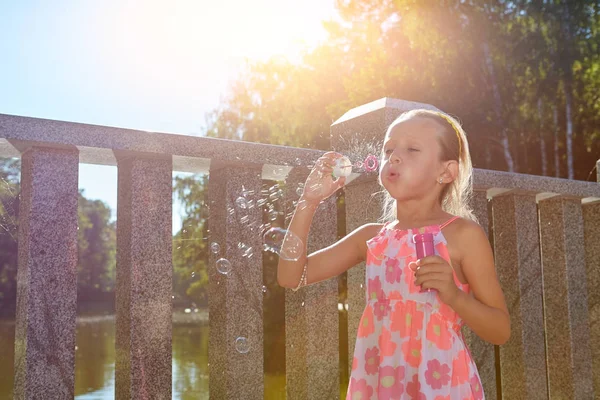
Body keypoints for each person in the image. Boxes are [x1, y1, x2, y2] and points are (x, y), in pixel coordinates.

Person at [277, 109, 509, 399]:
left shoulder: (462, 235)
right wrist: (309, 200)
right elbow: (290, 276)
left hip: (442, 387)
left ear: (446, 172)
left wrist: (453, 295)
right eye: (389, 149)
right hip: (380, 386)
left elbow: (500, 330)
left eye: (412, 149)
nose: (394, 157)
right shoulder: (372, 238)